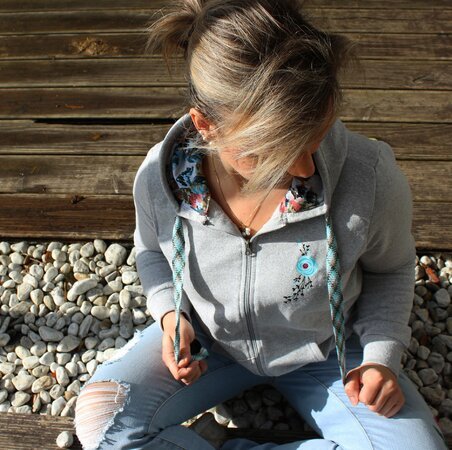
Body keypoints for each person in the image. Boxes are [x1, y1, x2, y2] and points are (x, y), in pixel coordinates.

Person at [73, 1, 449, 449]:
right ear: (206, 126)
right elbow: (153, 252)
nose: (306, 169)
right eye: (273, 150)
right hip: (211, 345)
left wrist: (380, 357)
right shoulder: (160, 179)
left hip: (329, 351)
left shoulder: (368, 176)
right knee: (101, 420)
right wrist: (172, 316)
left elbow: (391, 269)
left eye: (315, 136)